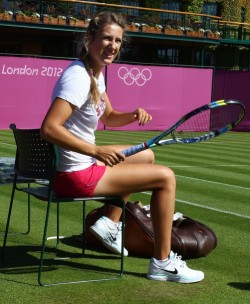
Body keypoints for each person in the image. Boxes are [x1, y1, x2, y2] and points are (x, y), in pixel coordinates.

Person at [41, 11, 204, 283]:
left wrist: (131, 115)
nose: (112, 46)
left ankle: (109, 224)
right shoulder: (78, 77)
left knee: (146, 155)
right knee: (166, 177)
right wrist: (96, 151)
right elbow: (49, 128)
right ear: (89, 39)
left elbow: (108, 116)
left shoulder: (95, 73)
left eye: (117, 41)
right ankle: (162, 262)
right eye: (106, 38)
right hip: (75, 176)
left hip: (79, 167)